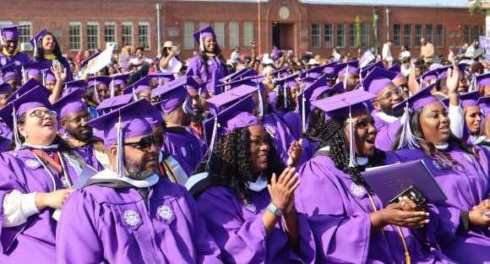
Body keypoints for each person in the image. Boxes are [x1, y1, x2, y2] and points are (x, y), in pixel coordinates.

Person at [56, 99, 221, 263]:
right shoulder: (88, 202)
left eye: (155, 142)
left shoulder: (176, 194)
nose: (154, 150)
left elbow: (206, 251)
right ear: (115, 151)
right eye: (143, 144)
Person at [295, 89, 452, 263]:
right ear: (339, 132)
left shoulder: (389, 160)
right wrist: (379, 219)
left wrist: (418, 211)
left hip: (419, 257)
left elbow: (432, 211)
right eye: (362, 124)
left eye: (371, 122)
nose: (372, 129)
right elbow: (324, 234)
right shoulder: (319, 172)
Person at [189, 97, 315, 263]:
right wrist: (275, 208)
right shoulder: (213, 195)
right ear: (235, 148)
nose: (265, 147)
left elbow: (294, 245)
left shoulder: (270, 183)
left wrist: (288, 212)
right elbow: (236, 253)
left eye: (266, 140)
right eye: (256, 142)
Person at [392, 86, 490, 263]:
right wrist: (466, 218)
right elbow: (422, 212)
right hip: (451, 239)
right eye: (435, 116)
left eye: (445, 114)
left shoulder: (466, 152)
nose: (444, 119)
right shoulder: (408, 161)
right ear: (417, 123)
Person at [0, 88, 92, 263]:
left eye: (49, 112)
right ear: (21, 128)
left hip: (83, 245)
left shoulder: (78, 158)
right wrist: (43, 200)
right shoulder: (8, 162)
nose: (47, 116)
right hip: (35, 251)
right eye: (37, 113)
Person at [53, 89, 107, 170]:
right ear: (63, 124)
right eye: (77, 120)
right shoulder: (61, 153)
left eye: (87, 117)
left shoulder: (103, 141)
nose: (84, 123)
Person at [186, 26, 228, 96]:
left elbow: (227, 77)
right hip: (205, 99)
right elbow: (190, 81)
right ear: (202, 43)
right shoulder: (197, 60)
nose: (212, 43)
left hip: (221, 97)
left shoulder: (219, 59)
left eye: (213, 40)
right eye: (209, 41)